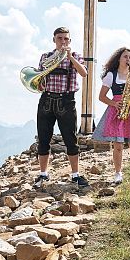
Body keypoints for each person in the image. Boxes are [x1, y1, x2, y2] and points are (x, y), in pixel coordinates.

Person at [34, 27, 89, 188]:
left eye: (66, 39)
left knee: (71, 139)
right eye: (60, 38)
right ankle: (43, 174)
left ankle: (75, 175)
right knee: (43, 138)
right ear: (54, 40)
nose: (63, 41)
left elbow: (84, 73)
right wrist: (39, 83)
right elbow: (39, 82)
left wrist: (70, 57)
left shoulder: (76, 56)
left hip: (66, 101)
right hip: (46, 100)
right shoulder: (45, 57)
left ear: (70, 41)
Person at [92, 47, 130, 183]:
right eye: (125, 56)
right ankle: (118, 173)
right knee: (118, 145)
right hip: (117, 109)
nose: (128, 59)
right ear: (119, 58)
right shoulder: (111, 75)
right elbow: (101, 97)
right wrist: (114, 104)